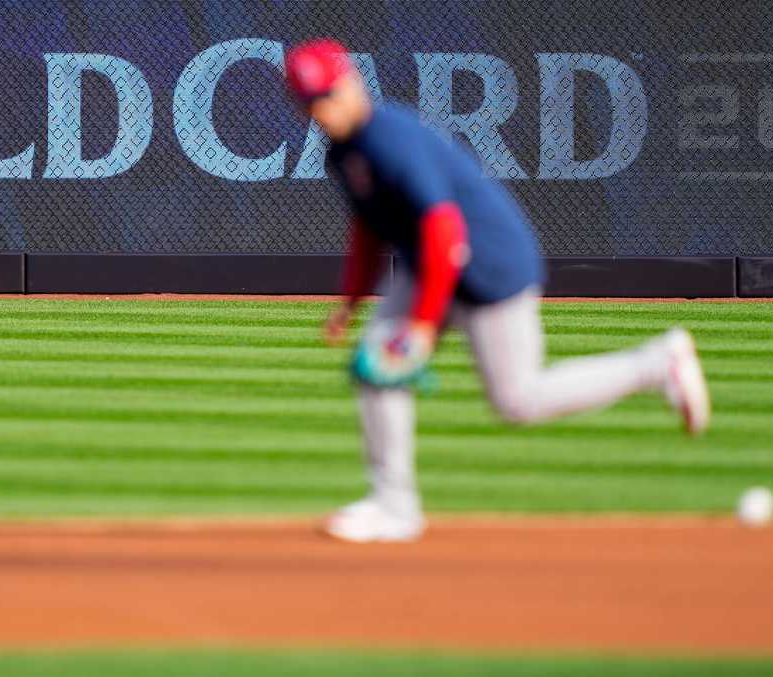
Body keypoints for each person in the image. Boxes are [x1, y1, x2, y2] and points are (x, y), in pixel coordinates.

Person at [283, 39, 710, 543]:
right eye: (311, 101)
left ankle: (659, 365)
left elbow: (445, 231)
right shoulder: (344, 152)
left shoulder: (389, 140)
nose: (322, 109)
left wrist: (421, 326)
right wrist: (351, 303)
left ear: (352, 83)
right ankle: (394, 507)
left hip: (490, 269)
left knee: (518, 399)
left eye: (328, 95)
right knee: (377, 368)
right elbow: (369, 229)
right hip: (430, 267)